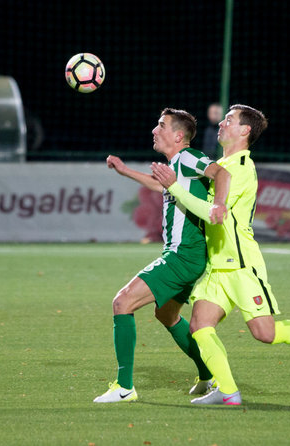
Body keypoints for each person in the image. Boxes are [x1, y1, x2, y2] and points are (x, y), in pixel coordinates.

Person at [151, 104, 290, 406]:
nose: (222, 123)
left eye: (229, 120)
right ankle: (227, 390)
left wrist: (176, 188)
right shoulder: (219, 165)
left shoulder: (239, 168)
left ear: (245, 131)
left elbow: (214, 216)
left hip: (240, 264)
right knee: (199, 326)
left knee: (264, 333)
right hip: (215, 266)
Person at [93, 107, 232, 403]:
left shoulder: (189, 157)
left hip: (182, 256)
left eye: (161, 125)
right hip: (187, 256)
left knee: (122, 302)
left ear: (178, 136)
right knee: (167, 314)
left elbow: (221, 172)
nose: (155, 130)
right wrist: (126, 170)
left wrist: (218, 204)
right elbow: (161, 186)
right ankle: (208, 376)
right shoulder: (177, 166)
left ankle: (125, 387)